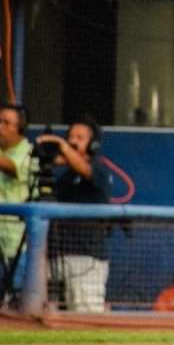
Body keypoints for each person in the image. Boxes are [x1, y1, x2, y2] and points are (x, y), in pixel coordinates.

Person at [36, 117, 114, 312]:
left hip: (87, 258)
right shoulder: (65, 176)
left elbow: (84, 169)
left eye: (80, 137)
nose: (73, 140)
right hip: (57, 256)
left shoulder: (99, 169)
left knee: (85, 315)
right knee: (49, 314)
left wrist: (63, 146)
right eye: (70, 136)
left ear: (93, 144)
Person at [0, 104, 33, 302]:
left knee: (14, 303)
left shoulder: (29, 152)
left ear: (19, 128)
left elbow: (12, 167)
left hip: (14, 243)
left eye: (7, 123)